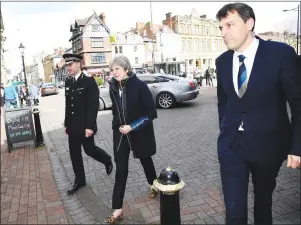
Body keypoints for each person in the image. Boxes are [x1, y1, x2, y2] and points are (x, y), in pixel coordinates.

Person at [215, 3, 301, 225]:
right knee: (234, 211)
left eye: (229, 25)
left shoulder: (280, 54)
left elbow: (298, 103)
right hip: (232, 147)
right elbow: (223, 103)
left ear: (249, 23)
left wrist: (297, 146)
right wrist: (224, 132)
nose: (223, 32)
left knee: (263, 205)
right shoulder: (222, 62)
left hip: (268, 146)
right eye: (221, 27)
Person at [104, 56, 158, 224]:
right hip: (121, 134)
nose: (114, 73)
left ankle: (153, 184)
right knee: (121, 170)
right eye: (112, 70)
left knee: (145, 160)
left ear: (126, 69)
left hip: (139, 131)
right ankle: (117, 209)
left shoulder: (140, 86)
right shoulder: (113, 88)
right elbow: (116, 111)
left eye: (117, 69)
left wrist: (132, 126)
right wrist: (117, 127)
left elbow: (151, 114)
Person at [63, 53, 113, 196]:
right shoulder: (69, 82)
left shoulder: (89, 82)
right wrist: (67, 124)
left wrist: (90, 127)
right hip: (72, 126)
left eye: (70, 64)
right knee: (74, 154)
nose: (68, 68)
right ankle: (80, 181)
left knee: (89, 150)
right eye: (67, 65)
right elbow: (68, 105)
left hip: (85, 126)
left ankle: (107, 159)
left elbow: (92, 106)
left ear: (78, 64)